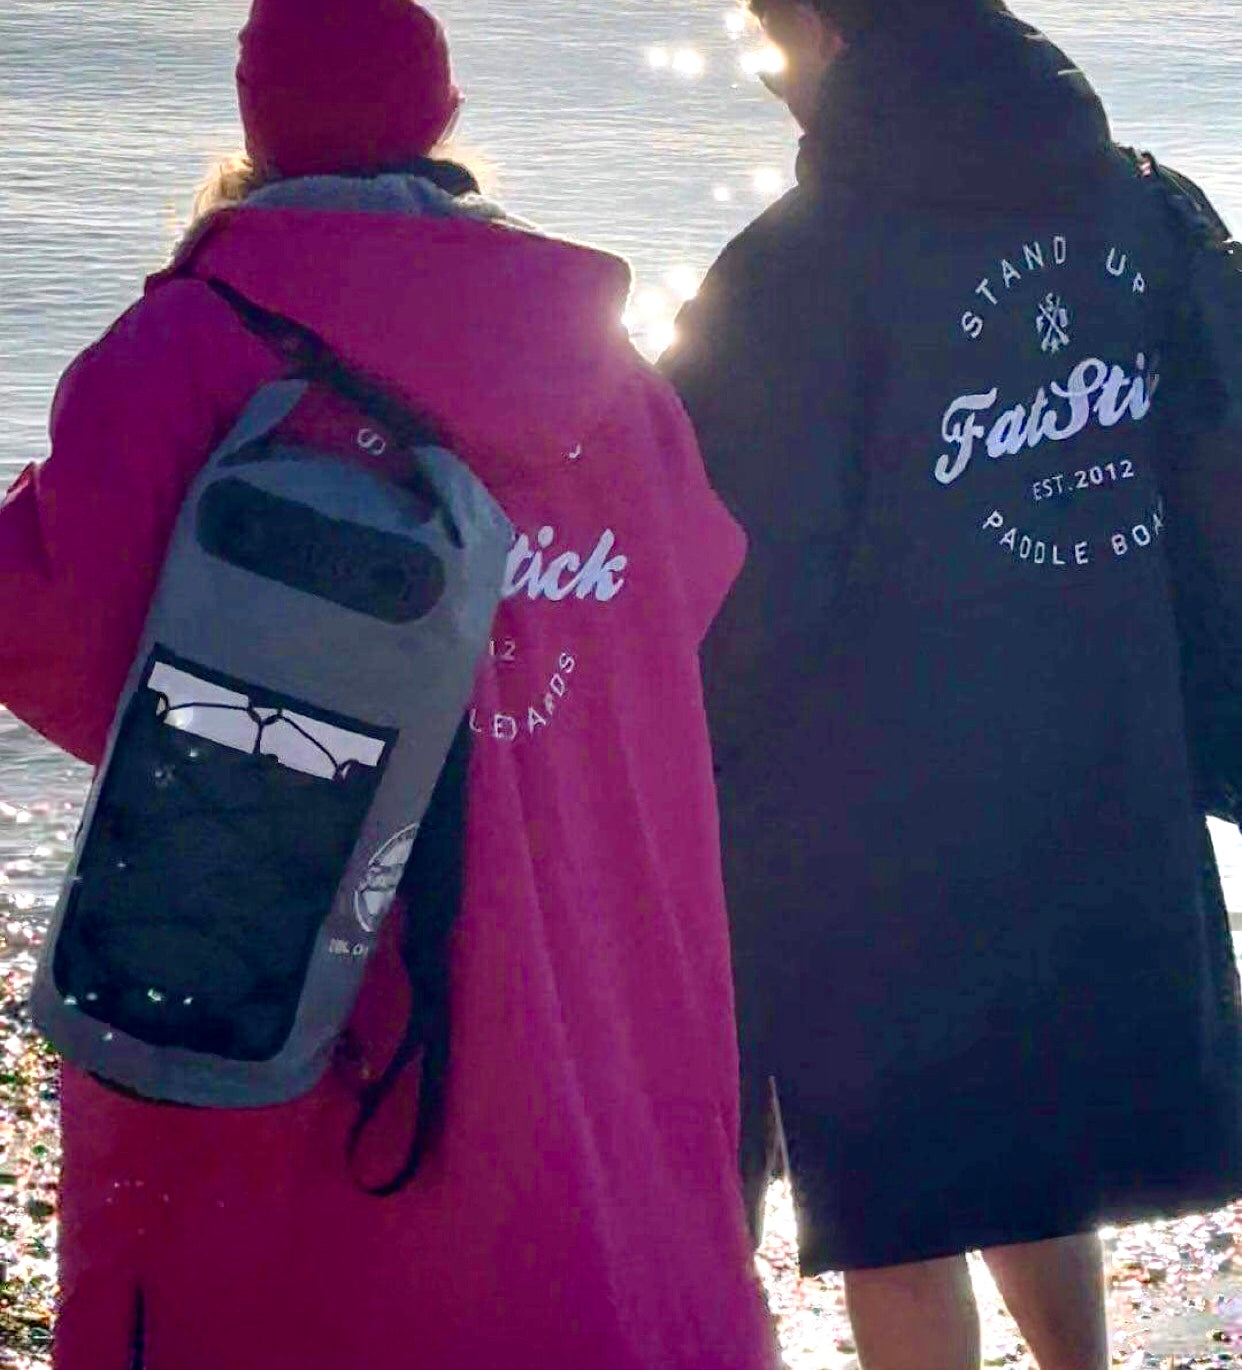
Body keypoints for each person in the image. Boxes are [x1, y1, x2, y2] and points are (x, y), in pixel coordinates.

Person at [0, 2, 776, 1366]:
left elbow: (58, 644)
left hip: (275, 984)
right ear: (444, 121)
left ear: (254, 124)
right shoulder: (609, 375)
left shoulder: (184, 350)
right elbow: (681, 625)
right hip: (570, 979)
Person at [661, 2, 1242, 1368]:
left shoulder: (795, 270)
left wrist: (674, 778)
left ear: (828, 31)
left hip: (876, 824)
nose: (769, 75)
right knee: (1036, 1154)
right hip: (1105, 767)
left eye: (769, 41)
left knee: (901, 1204)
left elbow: (732, 581)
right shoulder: (1142, 208)